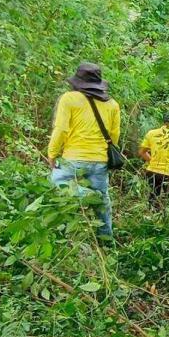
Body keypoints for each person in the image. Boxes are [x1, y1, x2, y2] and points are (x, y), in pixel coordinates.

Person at [47, 62, 121, 239]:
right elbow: (114, 135)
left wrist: (52, 153)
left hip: (73, 158)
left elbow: (61, 129)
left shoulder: (69, 98)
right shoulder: (112, 104)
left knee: (56, 186)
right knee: (102, 204)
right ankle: (106, 238)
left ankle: (88, 196)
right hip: (100, 161)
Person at [139, 111, 169, 206]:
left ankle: (151, 216)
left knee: (153, 196)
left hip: (153, 171)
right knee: (168, 199)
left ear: (164, 121)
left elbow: (142, 152)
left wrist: (152, 160)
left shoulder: (151, 133)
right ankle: (165, 216)